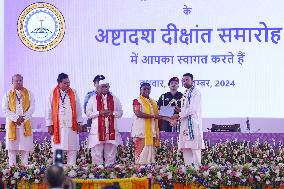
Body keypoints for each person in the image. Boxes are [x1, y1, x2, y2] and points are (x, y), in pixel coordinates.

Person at [45, 73, 83, 166]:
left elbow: (78, 108)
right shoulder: (52, 92)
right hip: (58, 126)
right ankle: (58, 168)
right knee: (59, 148)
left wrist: (79, 122)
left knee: (72, 148)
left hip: (71, 126)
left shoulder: (73, 92)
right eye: (65, 83)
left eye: (69, 82)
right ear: (59, 83)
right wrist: (49, 124)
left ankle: (71, 168)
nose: (68, 85)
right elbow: (48, 109)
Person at [86, 79, 123, 165]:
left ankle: (109, 173)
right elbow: (88, 113)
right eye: (102, 86)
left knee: (111, 155)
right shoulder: (92, 99)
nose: (104, 88)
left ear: (109, 87)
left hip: (111, 131)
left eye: (106, 86)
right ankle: (97, 174)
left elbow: (120, 113)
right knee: (96, 154)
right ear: (98, 88)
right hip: (97, 132)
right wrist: (99, 112)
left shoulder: (115, 99)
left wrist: (112, 113)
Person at [2, 74, 35, 166]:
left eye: (20, 80)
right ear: (12, 82)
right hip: (12, 124)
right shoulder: (7, 94)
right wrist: (16, 118)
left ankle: (24, 168)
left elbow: (32, 107)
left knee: (24, 148)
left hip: (25, 124)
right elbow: (5, 109)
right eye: (16, 81)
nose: (19, 82)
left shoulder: (29, 93)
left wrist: (23, 118)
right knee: (12, 149)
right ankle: (12, 168)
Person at [172, 73, 204, 166]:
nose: (185, 82)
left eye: (187, 80)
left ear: (192, 81)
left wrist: (178, 115)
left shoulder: (196, 92)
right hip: (184, 124)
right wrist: (179, 111)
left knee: (194, 148)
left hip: (193, 124)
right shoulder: (185, 92)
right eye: (183, 80)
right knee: (185, 147)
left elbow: (192, 109)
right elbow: (185, 108)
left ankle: (198, 171)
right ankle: (188, 170)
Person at [131, 82, 161, 165]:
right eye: (144, 89)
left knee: (150, 157)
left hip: (151, 133)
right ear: (140, 90)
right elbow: (138, 113)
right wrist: (152, 116)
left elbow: (157, 115)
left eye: (148, 89)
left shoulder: (153, 102)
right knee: (140, 157)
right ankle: (139, 174)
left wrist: (169, 118)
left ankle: (149, 175)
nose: (146, 90)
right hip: (140, 133)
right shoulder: (137, 101)